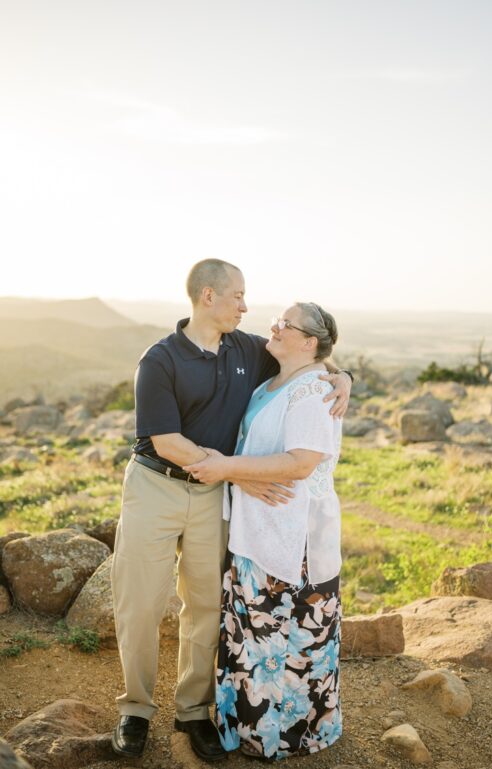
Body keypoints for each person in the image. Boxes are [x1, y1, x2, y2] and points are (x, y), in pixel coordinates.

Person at [110, 260, 352, 763]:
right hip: (158, 485)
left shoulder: (247, 349)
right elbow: (166, 441)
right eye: (238, 296)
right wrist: (236, 473)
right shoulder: (160, 359)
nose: (247, 307)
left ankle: (194, 712)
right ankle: (135, 709)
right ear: (207, 297)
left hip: (212, 497)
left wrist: (342, 375)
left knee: (206, 605)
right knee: (141, 602)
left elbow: (306, 365)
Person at [183, 301, 343, 760]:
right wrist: (240, 475)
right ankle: (247, 729)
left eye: (285, 324)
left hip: (298, 541)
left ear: (309, 343)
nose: (273, 325)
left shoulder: (314, 391)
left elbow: (301, 462)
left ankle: (289, 736)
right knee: (251, 637)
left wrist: (226, 468)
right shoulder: (268, 386)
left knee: (291, 642)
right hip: (255, 529)